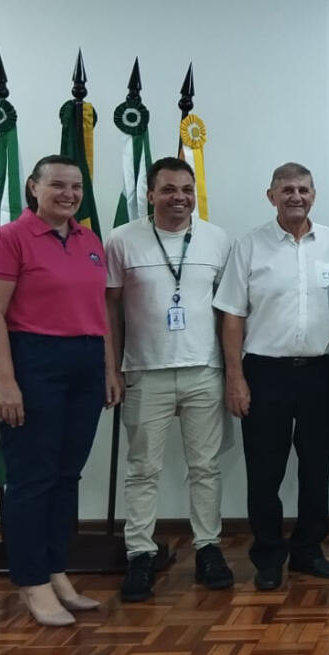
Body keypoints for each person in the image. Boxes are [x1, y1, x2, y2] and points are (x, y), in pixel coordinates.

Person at [0, 155, 122, 626]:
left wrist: (108, 367)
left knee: (66, 475)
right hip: (35, 362)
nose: (69, 194)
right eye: (57, 184)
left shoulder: (89, 240)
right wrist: (5, 381)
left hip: (86, 362)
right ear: (33, 188)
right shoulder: (9, 239)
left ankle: (56, 569)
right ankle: (31, 580)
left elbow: (99, 310)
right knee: (32, 477)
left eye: (76, 186)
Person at [214, 162, 329, 590]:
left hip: (321, 372)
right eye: (287, 189)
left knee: (317, 468)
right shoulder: (249, 246)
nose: (296, 196)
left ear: (314, 195)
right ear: (271, 196)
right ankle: (268, 556)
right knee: (264, 470)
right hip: (264, 373)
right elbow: (232, 317)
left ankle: (309, 550)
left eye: (303, 189)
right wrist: (235, 378)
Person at [105, 158, 235, 601]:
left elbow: (230, 312)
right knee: (143, 469)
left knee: (206, 468)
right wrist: (112, 368)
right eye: (168, 189)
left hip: (204, 370)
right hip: (145, 371)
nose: (179, 197)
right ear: (150, 194)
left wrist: (232, 371)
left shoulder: (217, 239)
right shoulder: (122, 240)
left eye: (186, 189)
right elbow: (109, 308)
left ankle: (208, 549)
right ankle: (140, 553)